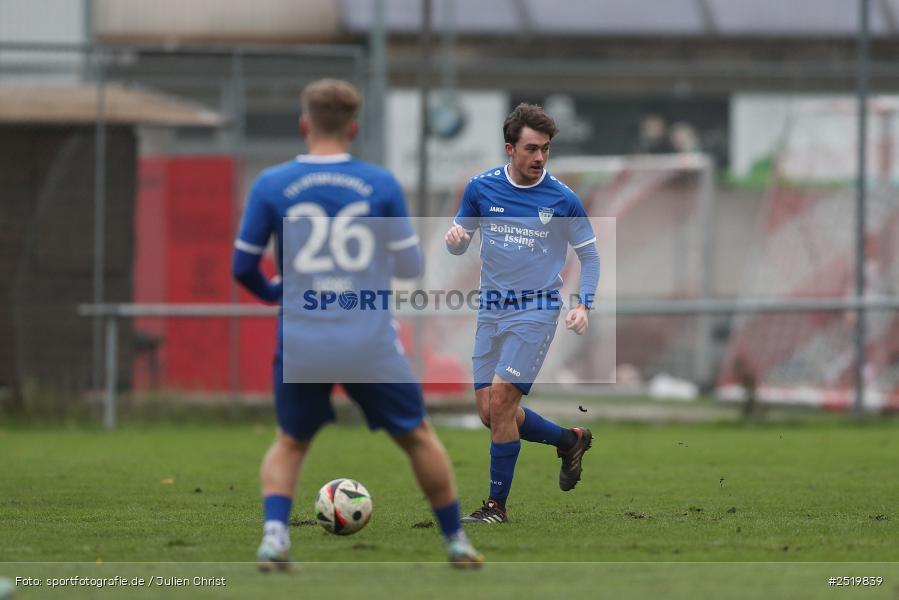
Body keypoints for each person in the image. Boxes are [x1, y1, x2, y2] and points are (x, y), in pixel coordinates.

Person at [232, 78, 483, 569]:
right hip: (367, 338)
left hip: (304, 336)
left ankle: (274, 540)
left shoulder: (272, 184)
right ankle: (456, 542)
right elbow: (411, 267)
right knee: (417, 437)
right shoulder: (379, 184)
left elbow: (242, 268)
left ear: (305, 123)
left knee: (290, 442)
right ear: (354, 127)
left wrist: (275, 293)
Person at [444, 103, 601, 524]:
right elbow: (460, 241)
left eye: (546, 149)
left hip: (536, 311)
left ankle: (496, 507)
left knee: (500, 401)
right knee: (490, 412)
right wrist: (456, 240)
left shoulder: (563, 199)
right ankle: (569, 440)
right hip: (490, 311)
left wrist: (583, 303)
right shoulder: (481, 188)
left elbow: (590, 257)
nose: (539, 158)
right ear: (510, 148)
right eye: (531, 149)